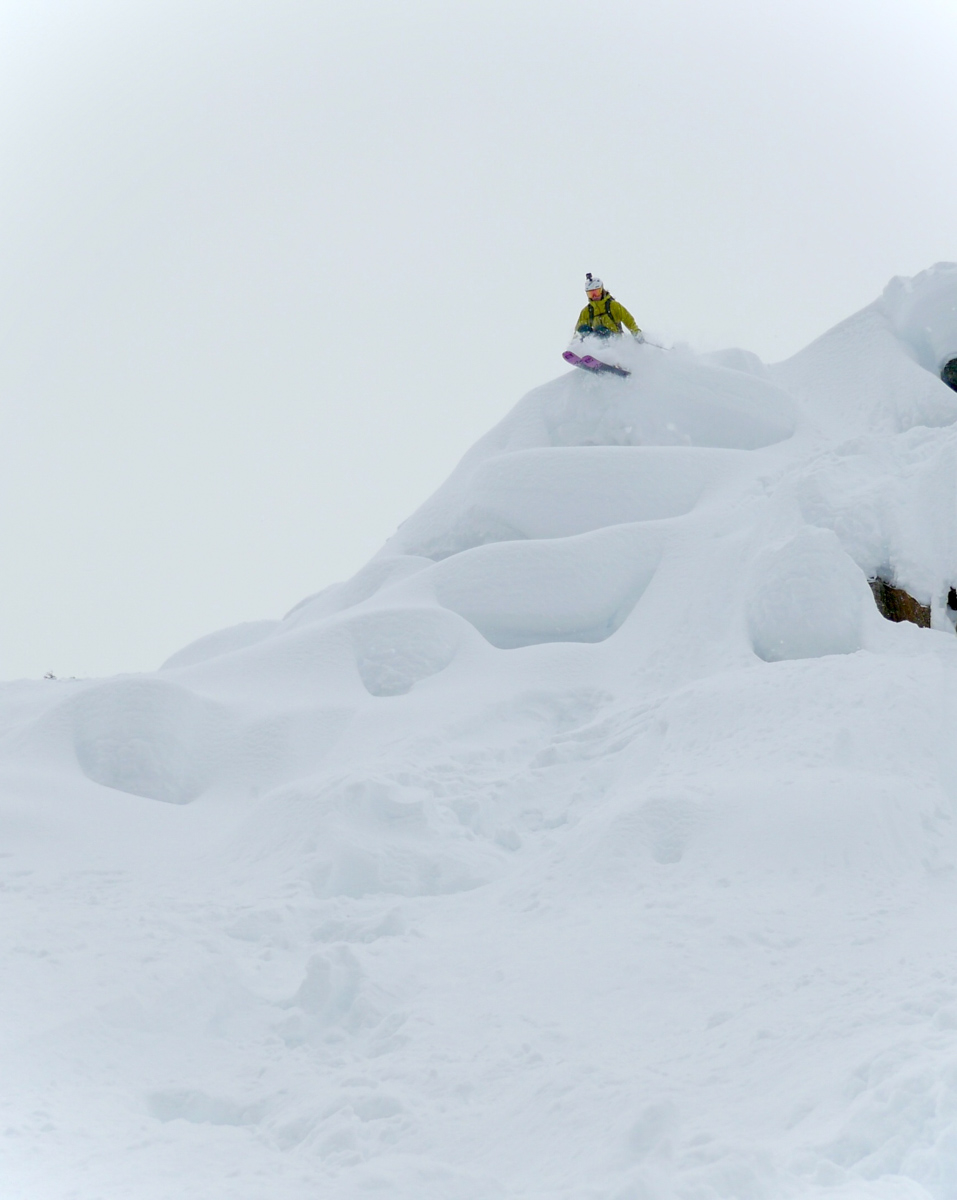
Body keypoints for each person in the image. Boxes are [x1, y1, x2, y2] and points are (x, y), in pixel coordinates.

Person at [576, 273, 643, 341]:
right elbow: (577, 331)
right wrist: (574, 343)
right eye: (591, 294)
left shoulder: (613, 305)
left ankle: (604, 345)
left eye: (596, 292)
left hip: (613, 339)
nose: (594, 296)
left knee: (601, 329)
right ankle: (584, 346)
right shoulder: (587, 311)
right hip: (596, 341)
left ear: (602, 290)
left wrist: (636, 333)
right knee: (583, 329)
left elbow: (628, 319)